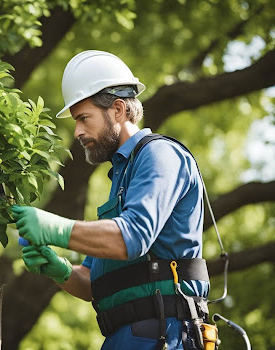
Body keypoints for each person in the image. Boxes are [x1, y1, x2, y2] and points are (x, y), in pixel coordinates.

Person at [12, 51, 211, 350]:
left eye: (83, 118)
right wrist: (60, 269)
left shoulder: (159, 156)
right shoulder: (122, 177)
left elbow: (132, 237)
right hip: (127, 339)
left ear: (118, 110)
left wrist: (56, 228)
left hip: (166, 337)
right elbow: (93, 282)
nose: (77, 131)